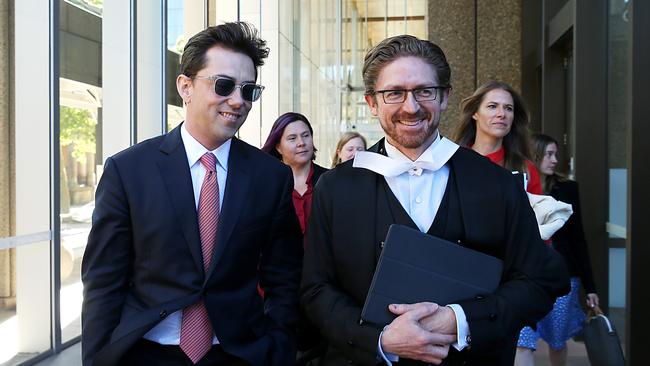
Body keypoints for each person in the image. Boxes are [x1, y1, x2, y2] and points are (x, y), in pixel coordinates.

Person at [300, 34, 569, 365]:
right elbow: (316, 290)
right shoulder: (335, 188)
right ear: (372, 103)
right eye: (394, 93)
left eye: (424, 91)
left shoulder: (497, 184)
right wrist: (381, 340)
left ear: (445, 97)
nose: (410, 107)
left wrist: (459, 320)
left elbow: (539, 281)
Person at [81, 22, 303, 366]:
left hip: (240, 353)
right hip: (146, 353)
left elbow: (284, 276)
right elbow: (103, 281)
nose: (237, 100)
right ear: (185, 86)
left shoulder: (270, 176)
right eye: (224, 85)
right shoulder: (128, 171)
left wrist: (278, 345)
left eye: (248, 90)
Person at [514, 134, 599, 366]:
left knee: (558, 340)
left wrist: (590, 287)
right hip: (524, 277)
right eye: (549, 154)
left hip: (561, 276)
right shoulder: (516, 185)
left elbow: (578, 238)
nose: (554, 160)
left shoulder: (567, 189)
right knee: (523, 340)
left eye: (556, 154)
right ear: (535, 155)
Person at [452, 81, 542, 194]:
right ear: (475, 113)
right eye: (492, 106)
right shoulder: (452, 163)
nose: (502, 114)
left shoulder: (526, 169)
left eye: (508, 108)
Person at [262, 112, 328, 234]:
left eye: (306, 135)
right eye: (292, 138)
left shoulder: (330, 181)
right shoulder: (267, 185)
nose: (301, 143)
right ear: (278, 147)